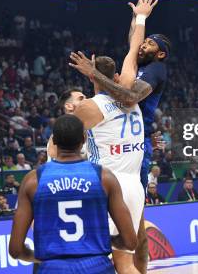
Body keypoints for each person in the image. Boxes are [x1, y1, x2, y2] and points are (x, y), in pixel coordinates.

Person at [69, 0, 167, 273]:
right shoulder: (129, 84)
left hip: (111, 182)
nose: (142, 47)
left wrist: (91, 72)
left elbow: (61, 147)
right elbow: (133, 46)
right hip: (132, 178)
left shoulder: (97, 105)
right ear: (119, 73)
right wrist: (140, 15)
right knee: (126, 254)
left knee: (100, 255)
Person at [9, 114, 138, 273]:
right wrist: (108, 240)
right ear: (84, 139)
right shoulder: (105, 177)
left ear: (54, 140)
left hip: (53, 267)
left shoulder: (33, 180)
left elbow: (15, 250)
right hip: (96, 266)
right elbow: (130, 241)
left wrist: (36, 256)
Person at [71, 54, 147, 274]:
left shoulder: (89, 106)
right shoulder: (132, 101)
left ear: (92, 78)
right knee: (124, 264)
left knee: (87, 257)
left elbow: (63, 142)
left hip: (107, 186)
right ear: (115, 76)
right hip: (134, 187)